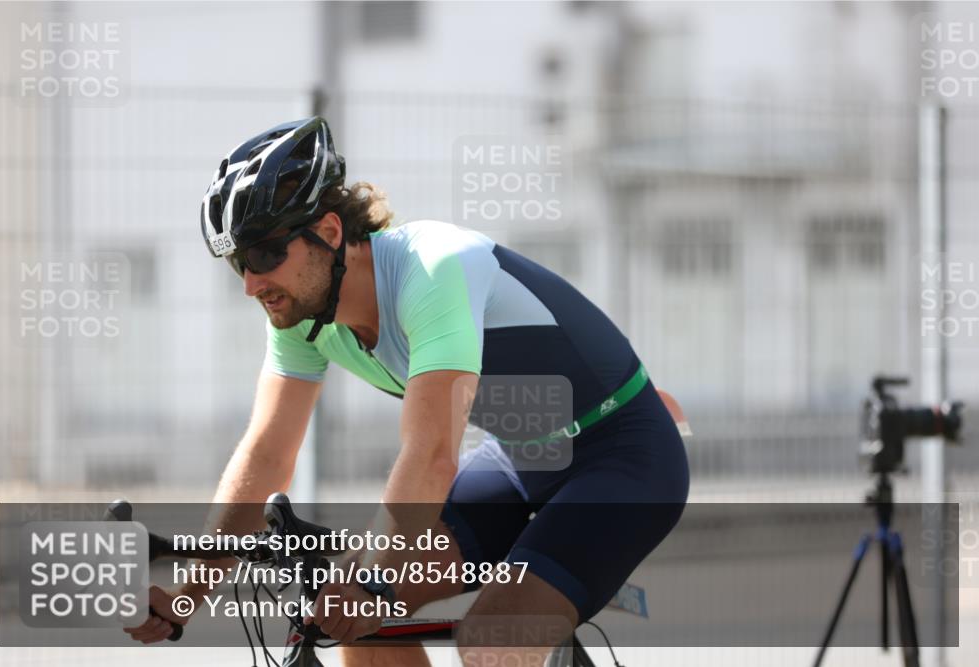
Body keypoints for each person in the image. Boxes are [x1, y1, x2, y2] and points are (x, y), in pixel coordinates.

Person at [124, 117, 690, 666]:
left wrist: (374, 577)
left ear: (329, 233)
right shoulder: (299, 317)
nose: (252, 284)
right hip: (520, 460)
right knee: (347, 619)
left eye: (265, 254)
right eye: (237, 263)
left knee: (490, 641)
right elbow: (267, 454)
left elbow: (432, 452)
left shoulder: (432, 268)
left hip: (622, 455)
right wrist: (186, 596)